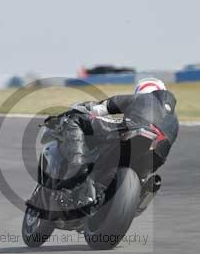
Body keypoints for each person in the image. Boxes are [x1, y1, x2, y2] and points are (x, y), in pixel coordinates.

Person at [60, 78, 179, 206]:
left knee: (75, 120)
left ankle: (76, 168)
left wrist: (79, 108)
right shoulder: (174, 120)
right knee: (142, 177)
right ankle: (141, 191)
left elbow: (99, 108)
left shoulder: (136, 99)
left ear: (140, 91)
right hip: (157, 153)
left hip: (133, 129)